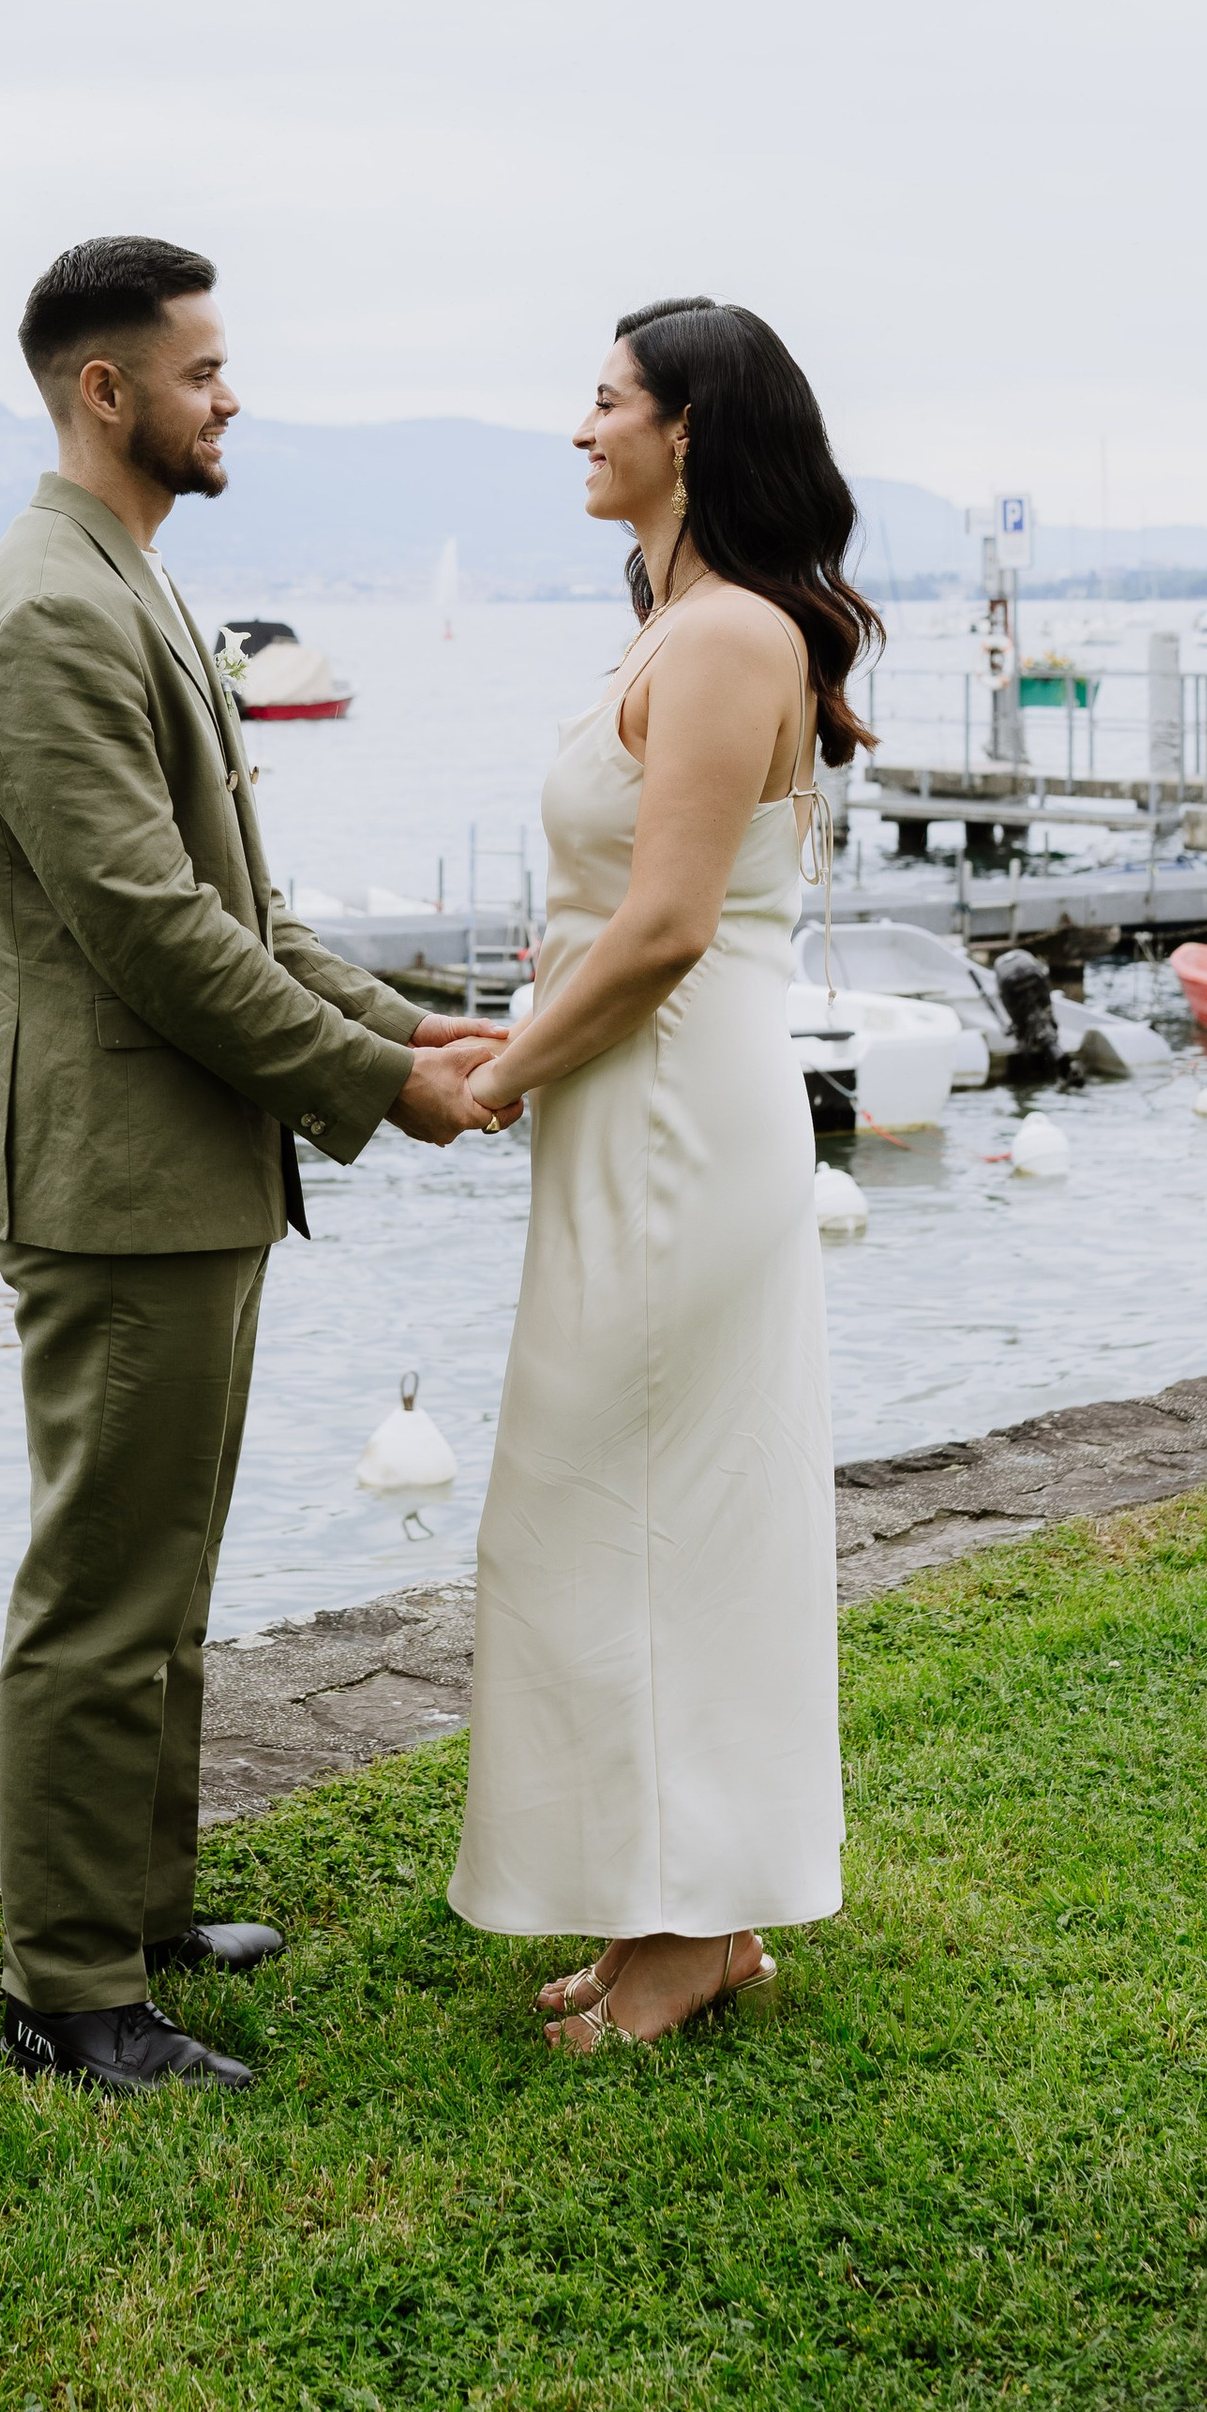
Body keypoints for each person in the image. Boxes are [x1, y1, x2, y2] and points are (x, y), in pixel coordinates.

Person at [0, 234, 512, 2097]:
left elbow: (244, 912)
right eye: (201, 369)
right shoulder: (48, 615)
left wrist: (411, 1020)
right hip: (112, 1175)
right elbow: (152, 937)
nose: (229, 395)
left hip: (184, 1164)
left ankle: (140, 1905)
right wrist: (382, 1084)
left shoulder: (134, 585)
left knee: (165, 1563)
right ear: (107, 391)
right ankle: (67, 1994)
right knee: (104, 1585)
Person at [445, 295, 879, 2047]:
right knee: (624, 1507)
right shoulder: (677, 623)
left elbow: (669, 930)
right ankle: (676, 1909)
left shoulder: (722, 644)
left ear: (688, 428)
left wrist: (498, 1084)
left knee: (644, 1511)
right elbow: (600, 926)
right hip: (627, 1113)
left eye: (607, 399)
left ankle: (692, 1928)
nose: (581, 428)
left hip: (674, 1123)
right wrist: (510, 1050)